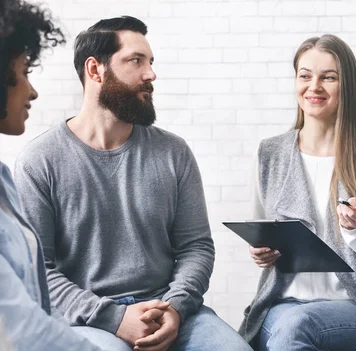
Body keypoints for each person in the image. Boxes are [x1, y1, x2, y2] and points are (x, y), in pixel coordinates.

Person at [13, 15, 251, 351]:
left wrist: (176, 309)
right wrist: (114, 319)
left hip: (169, 309)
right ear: (95, 70)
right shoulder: (40, 161)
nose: (150, 74)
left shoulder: (174, 152)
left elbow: (195, 247)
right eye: (135, 61)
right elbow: (38, 270)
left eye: (150, 62)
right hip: (88, 320)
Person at [239, 34, 356, 351]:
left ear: (347, 87)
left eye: (328, 77)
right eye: (305, 76)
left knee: (296, 328)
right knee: (286, 329)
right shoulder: (269, 154)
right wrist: (261, 253)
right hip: (283, 304)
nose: (313, 87)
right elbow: (262, 234)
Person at [0, 0, 103, 349]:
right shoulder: (38, 161)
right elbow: (21, 327)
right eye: (25, 71)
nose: (32, 91)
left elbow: (41, 308)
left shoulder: (3, 180)